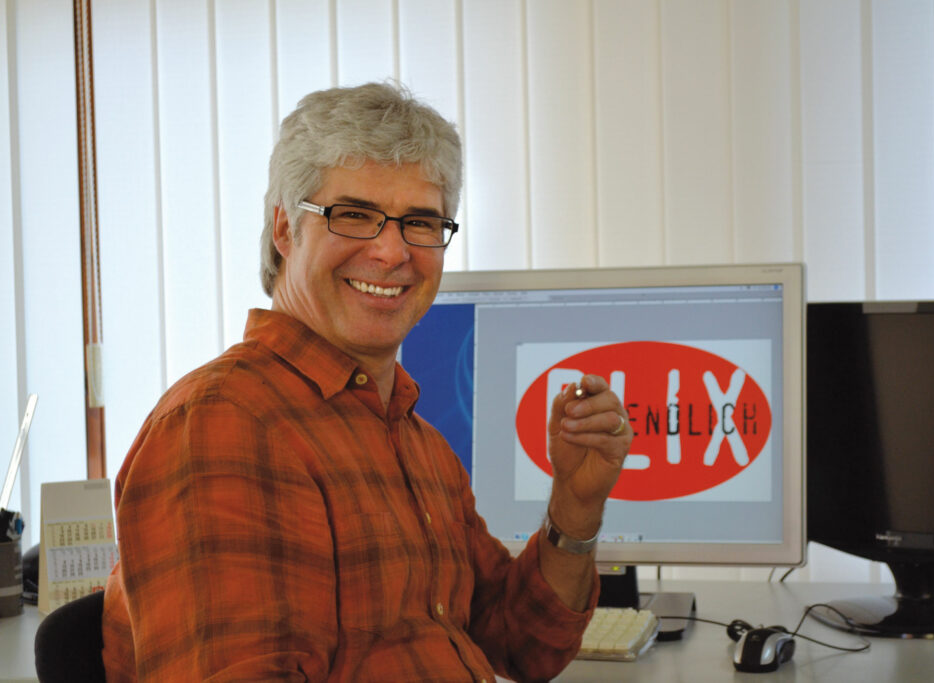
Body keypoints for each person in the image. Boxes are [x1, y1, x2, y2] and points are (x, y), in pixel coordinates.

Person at [101, 82, 632, 682]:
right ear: (285, 230)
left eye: (420, 222)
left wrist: (575, 504)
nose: (391, 252)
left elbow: (523, 645)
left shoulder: (416, 441)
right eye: (353, 216)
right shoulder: (225, 423)